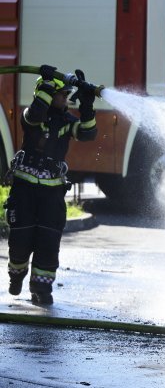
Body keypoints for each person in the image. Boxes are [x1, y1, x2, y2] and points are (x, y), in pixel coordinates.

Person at [4, 65, 98, 305]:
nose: (65, 98)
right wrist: (46, 85)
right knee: (20, 241)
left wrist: (87, 104)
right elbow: (35, 116)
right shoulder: (31, 116)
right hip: (24, 191)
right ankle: (17, 276)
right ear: (45, 94)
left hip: (52, 193)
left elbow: (87, 133)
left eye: (67, 95)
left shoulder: (66, 121)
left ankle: (41, 289)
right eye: (61, 94)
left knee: (48, 242)